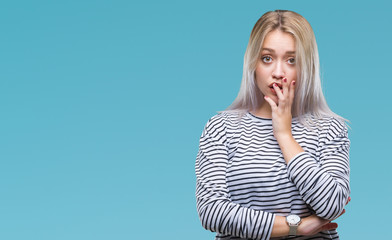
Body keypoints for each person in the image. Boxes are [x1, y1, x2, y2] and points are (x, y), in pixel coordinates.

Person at [195, 10, 350, 240]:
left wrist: (284, 135)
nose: (278, 73)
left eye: (291, 60)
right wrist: (295, 226)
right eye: (267, 58)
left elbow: (331, 206)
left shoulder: (330, 128)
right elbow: (211, 212)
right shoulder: (221, 128)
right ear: (253, 63)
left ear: (307, 65)